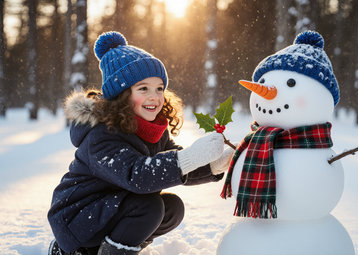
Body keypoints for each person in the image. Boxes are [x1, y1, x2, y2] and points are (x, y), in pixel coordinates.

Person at [47, 31, 234, 255]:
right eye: (143, 89)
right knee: (149, 208)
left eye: (159, 88)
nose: (154, 96)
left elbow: (172, 162)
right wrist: (191, 157)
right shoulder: (102, 135)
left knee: (172, 209)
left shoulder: (151, 129)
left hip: (111, 207)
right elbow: (137, 176)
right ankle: (79, 251)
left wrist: (213, 166)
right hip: (77, 216)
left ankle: (108, 248)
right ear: (122, 95)